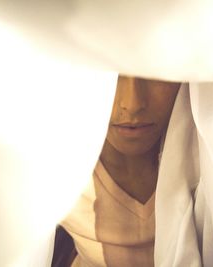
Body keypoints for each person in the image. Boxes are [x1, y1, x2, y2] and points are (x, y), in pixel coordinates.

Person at [51, 75, 181, 266]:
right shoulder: (53, 168)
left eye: (153, 70)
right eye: (107, 75)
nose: (132, 104)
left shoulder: (209, 159)